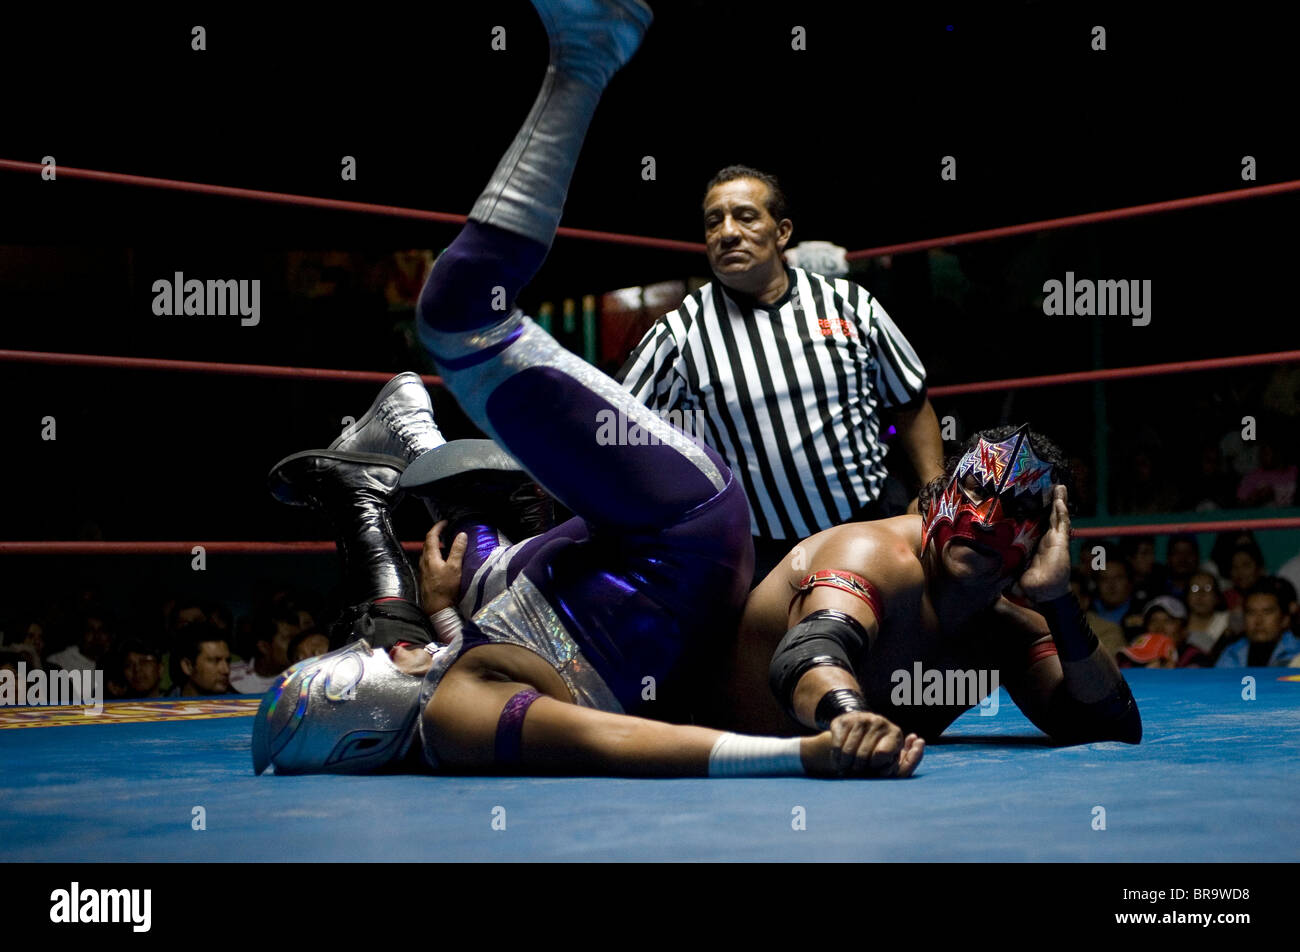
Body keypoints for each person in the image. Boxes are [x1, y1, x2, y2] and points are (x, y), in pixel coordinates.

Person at [252, 0, 914, 781]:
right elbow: (614, 744)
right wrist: (798, 757)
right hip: (684, 533)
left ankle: (401, 446)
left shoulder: (455, 665)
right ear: (371, 720)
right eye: (370, 661)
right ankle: (587, 57)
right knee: (461, 322)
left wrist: (437, 613)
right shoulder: (458, 712)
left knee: (475, 553)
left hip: (632, 552)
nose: (379, 648)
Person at [707, 425, 1143, 748]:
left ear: (1045, 536)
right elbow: (808, 654)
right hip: (705, 777)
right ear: (941, 494)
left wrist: (1059, 601)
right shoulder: (875, 555)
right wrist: (852, 720)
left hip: (857, 804)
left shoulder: (1006, 631)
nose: (987, 520)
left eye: (1019, 507)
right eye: (975, 490)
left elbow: (1108, 723)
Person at [618, 164, 944, 584]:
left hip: (870, 516)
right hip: (762, 548)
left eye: (746, 216)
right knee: (790, 646)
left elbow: (910, 403)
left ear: (783, 232)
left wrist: (935, 491)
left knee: (898, 637)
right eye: (713, 222)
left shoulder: (846, 304)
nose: (727, 232)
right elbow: (613, 426)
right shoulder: (678, 333)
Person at [1215, 578, 1299, 667]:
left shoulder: (1297, 653)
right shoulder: (1231, 653)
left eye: (1267, 612)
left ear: (1285, 620)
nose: (1258, 621)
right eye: (1251, 612)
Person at [167, 624, 232, 696]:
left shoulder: (239, 705)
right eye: (215, 661)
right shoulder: (158, 706)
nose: (226, 670)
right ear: (188, 666)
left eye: (228, 661)